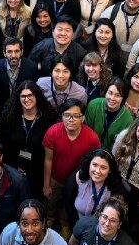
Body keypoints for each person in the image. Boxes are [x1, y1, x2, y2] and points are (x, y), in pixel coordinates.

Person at [42, 98, 100, 236]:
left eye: (76, 116)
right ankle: (49, 219)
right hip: (55, 178)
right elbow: (48, 159)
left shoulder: (92, 138)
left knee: (69, 205)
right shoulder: (52, 132)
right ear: (62, 116)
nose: (71, 119)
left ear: (83, 117)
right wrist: (46, 184)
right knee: (51, 201)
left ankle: (65, 225)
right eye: (66, 115)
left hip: (77, 182)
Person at [0, 81, 58, 200]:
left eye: (30, 95)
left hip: (38, 171)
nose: (27, 99)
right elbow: (4, 144)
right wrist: (14, 166)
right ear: (18, 98)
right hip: (14, 169)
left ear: (37, 96)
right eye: (23, 96)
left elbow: (50, 151)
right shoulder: (10, 117)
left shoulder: (48, 118)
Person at [63, 148, 124, 229]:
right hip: (76, 222)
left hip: (100, 228)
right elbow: (69, 204)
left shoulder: (115, 189)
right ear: (89, 164)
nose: (97, 171)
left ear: (110, 170)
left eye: (103, 167)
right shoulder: (78, 178)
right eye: (94, 165)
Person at [0, 37, 37, 109]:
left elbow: (33, 93)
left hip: (25, 108)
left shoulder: (32, 67)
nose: (13, 55)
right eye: (9, 52)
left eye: (16, 51)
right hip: (2, 108)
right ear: (4, 53)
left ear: (21, 52)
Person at [85, 77, 134, 150]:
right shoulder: (93, 105)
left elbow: (121, 146)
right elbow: (85, 131)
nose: (112, 98)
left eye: (117, 95)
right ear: (105, 92)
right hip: (88, 149)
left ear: (123, 98)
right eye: (110, 93)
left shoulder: (127, 119)